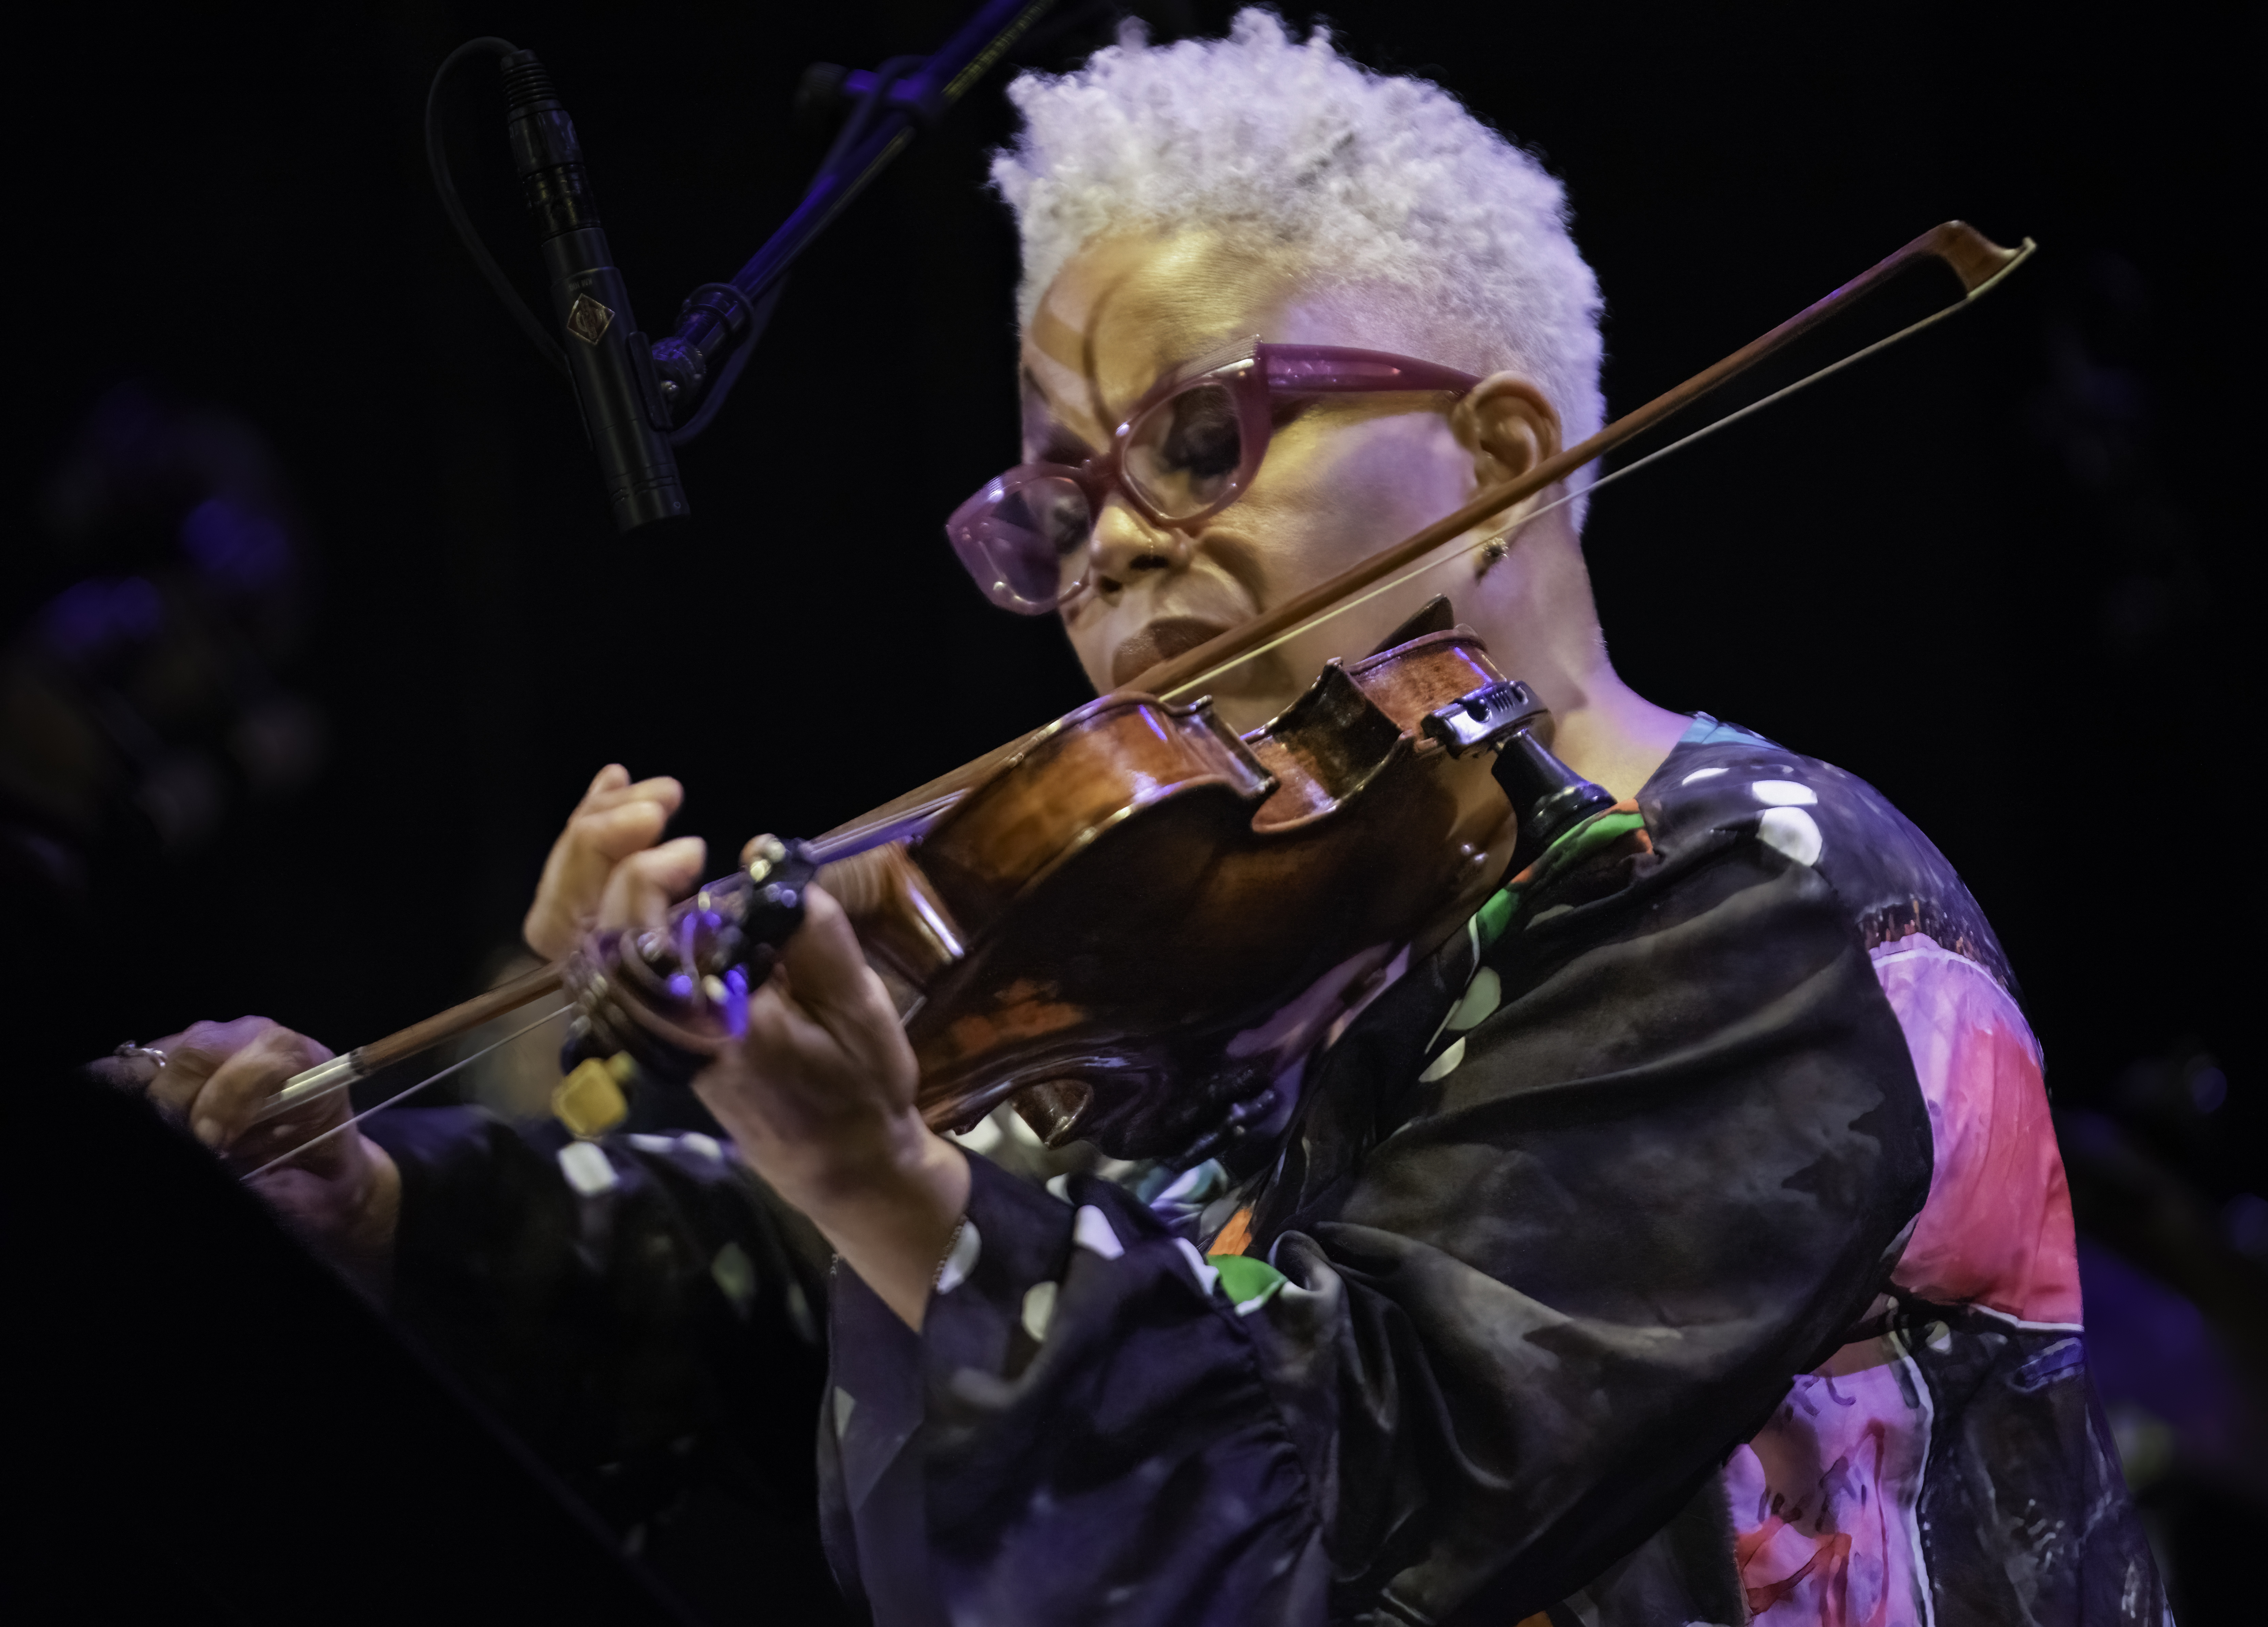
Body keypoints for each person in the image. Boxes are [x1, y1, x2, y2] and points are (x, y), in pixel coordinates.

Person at [131, 14, 2162, 1626]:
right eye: (1055, 501)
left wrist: (891, 1178)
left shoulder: (1750, 897)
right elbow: (800, 1327)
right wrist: (397, 1216)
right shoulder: (1202, 946)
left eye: (1200, 442)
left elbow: (1376, 1491)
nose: (1108, 549)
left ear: (1502, 449)